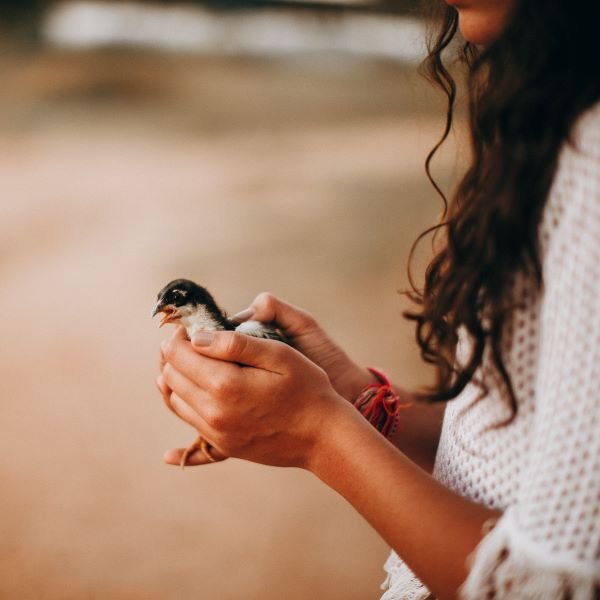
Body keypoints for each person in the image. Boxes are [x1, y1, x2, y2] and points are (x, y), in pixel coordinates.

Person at [156, 0, 600, 598]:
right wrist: (355, 396)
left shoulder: (591, 160)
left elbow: (547, 584)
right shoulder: (554, 120)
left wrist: (318, 430)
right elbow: (519, 446)